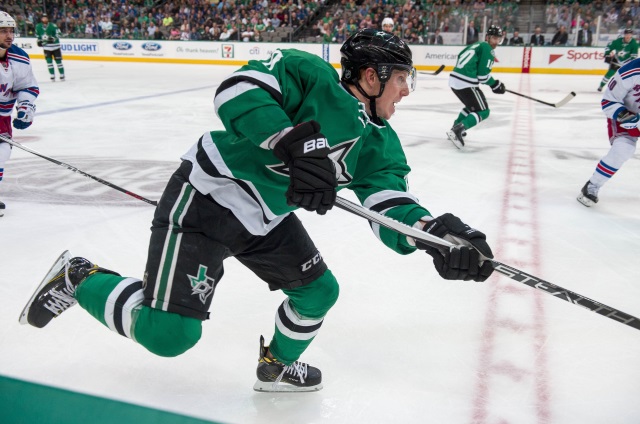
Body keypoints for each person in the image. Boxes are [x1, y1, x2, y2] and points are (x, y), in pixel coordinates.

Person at [19, 29, 494, 392]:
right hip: (207, 197)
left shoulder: (381, 144)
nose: (407, 90)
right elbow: (236, 90)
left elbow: (389, 204)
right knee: (169, 336)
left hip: (265, 219)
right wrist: (291, 140)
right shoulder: (307, 72)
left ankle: (276, 366)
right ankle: (79, 277)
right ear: (371, 77)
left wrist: (433, 235)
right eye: (402, 79)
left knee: (318, 293)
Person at [578, 57, 640, 207]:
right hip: (625, 115)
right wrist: (625, 116)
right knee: (623, 149)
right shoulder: (631, 71)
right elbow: (609, 101)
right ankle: (592, 186)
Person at [0, 11, 39, 217]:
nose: (9, 36)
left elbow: (28, 86)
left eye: (10, 31)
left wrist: (25, 108)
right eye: (3, 31)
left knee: (2, 155)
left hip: (2, 119)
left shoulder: (19, 57)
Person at [446, 25, 506, 149]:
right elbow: (483, 76)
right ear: (488, 38)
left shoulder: (476, 45)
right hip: (466, 82)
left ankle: (455, 127)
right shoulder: (488, 49)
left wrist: (494, 84)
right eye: (494, 38)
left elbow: (460, 56)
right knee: (483, 111)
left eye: (498, 39)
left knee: (471, 106)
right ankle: (458, 130)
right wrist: (495, 84)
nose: (496, 42)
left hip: (454, 79)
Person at [35, 14, 65, 82]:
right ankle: (52, 75)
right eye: (43, 18)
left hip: (55, 47)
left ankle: (62, 74)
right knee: (49, 62)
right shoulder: (38, 26)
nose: (45, 19)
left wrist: (53, 38)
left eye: (46, 18)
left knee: (58, 62)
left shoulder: (53, 25)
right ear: (41, 19)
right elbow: (38, 36)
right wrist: (39, 41)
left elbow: (59, 34)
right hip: (47, 48)